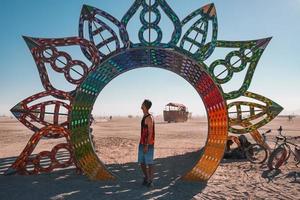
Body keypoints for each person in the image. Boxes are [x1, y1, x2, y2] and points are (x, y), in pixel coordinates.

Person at [138, 99, 155, 187]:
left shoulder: (149, 118)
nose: (141, 105)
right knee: (142, 162)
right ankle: (146, 177)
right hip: (142, 142)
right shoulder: (144, 116)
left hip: (148, 144)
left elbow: (150, 132)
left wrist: (147, 145)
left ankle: (150, 181)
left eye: (142, 104)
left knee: (149, 162)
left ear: (145, 106)